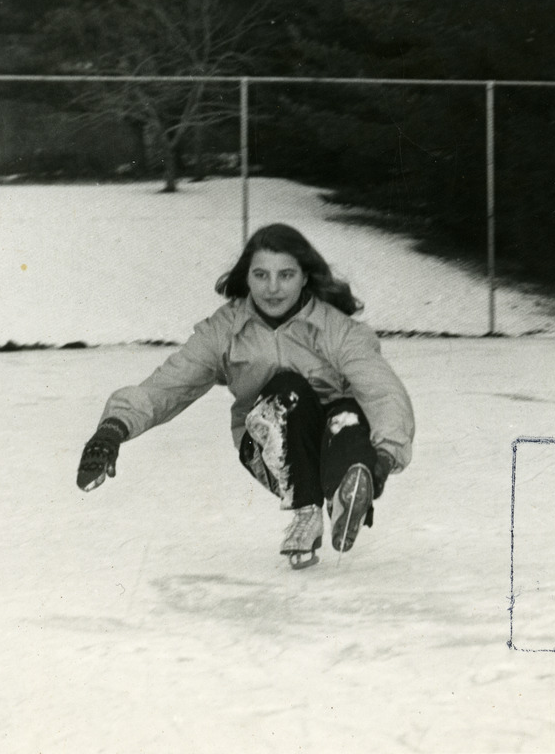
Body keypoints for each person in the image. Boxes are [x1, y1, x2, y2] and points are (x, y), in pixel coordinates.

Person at [76, 223, 415, 569]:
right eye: (261, 275)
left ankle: (350, 488)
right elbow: (171, 383)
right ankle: (305, 512)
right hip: (268, 447)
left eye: (285, 275)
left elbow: (381, 388)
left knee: (347, 411)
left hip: (334, 440)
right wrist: (114, 427)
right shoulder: (225, 330)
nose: (272, 288)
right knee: (288, 389)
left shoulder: (336, 330)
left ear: (304, 278)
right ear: (246, 278)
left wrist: (386, 455)